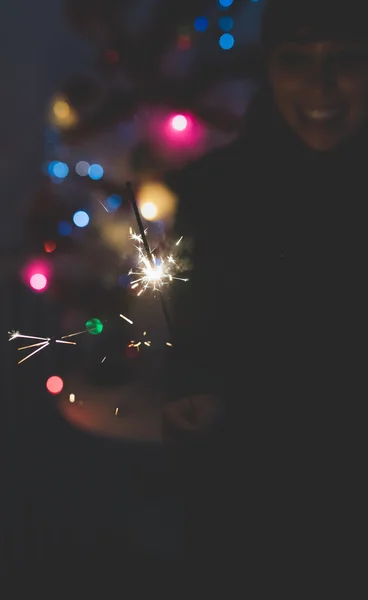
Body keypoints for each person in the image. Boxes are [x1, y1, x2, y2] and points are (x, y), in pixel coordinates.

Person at [162, 0, 368, 588]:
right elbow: (192, 342)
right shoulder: (215, 194)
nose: (318, 85)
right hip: (252, 519)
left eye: (345, 60)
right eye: (296, 60)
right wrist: (192, 395)